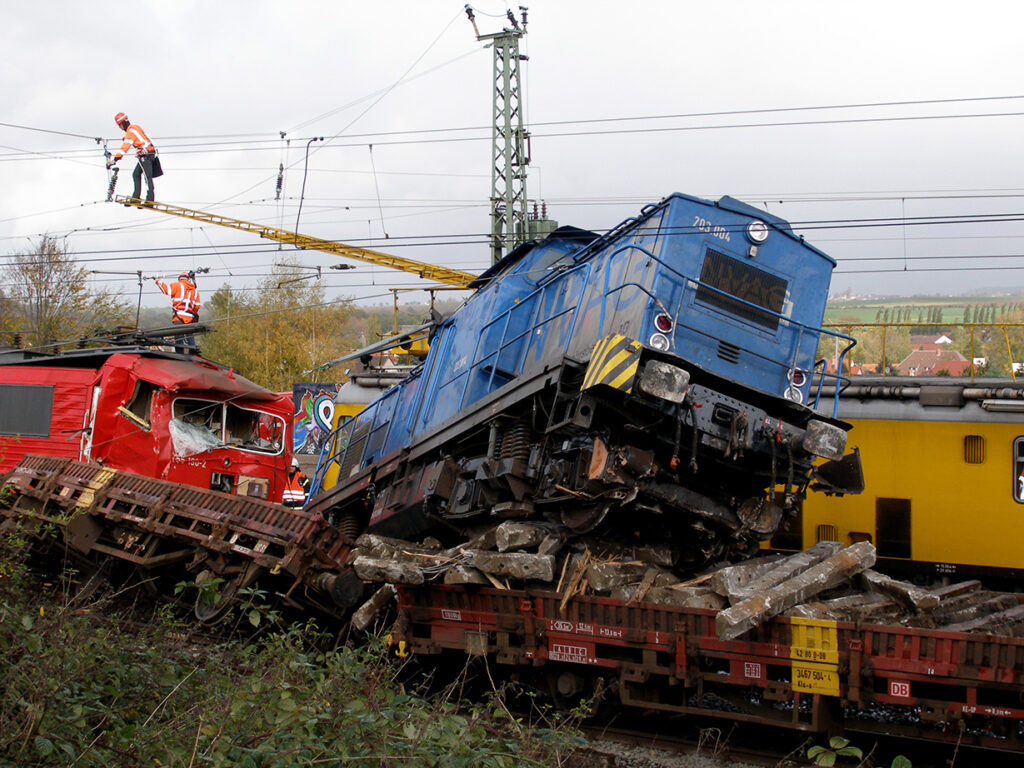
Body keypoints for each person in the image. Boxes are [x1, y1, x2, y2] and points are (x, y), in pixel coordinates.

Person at [109, 112, 158, 202]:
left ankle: (150, 200)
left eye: (119, 125)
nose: (120, 128)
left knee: (148, 178)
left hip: (145, 156)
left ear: (122, 123)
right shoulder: (135, 127)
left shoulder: (129, 132)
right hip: (149, 154)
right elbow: (141, 136)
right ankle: (136, 197)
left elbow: (124, 148)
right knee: (136, 174)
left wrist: (114, 159)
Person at [154, 271, 201, 354]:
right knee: (190, 336)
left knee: (178, 337)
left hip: (178, 317)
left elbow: (165, 289)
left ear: (179, 278)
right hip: (190, 318)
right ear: (188, 279)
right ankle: (193, 354)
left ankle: (180, 355)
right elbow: (197, 306)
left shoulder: (177, 285)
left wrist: (157, 280)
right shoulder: (195, 291)